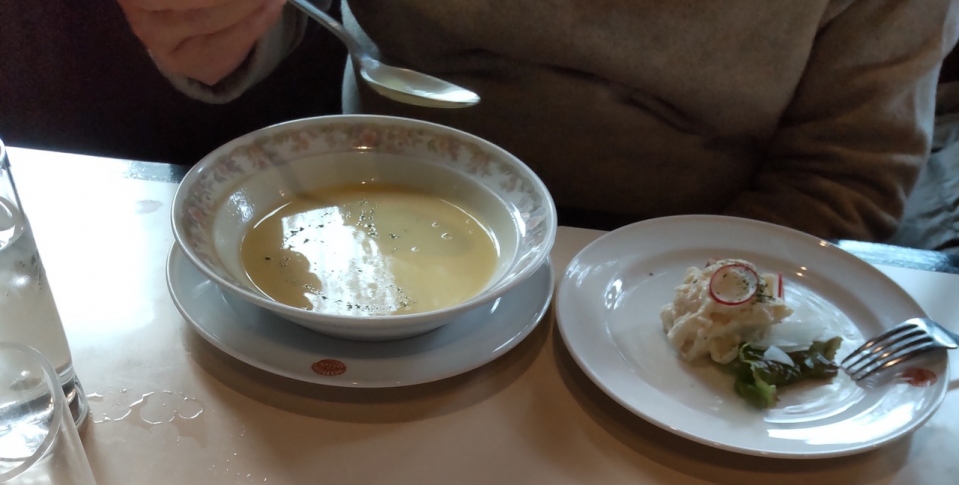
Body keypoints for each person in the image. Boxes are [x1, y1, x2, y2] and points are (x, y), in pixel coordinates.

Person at [115, 0, 959, 240]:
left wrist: (688, 312)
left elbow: (846, 176)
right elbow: (272, 20)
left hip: (683, 273)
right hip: (369, 218)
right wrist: (214, 30)